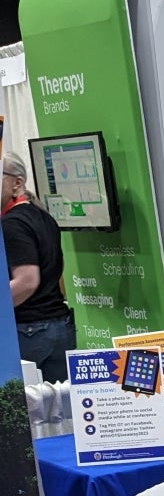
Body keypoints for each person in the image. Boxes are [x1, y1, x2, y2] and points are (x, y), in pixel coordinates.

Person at [3, 153, 75, 382]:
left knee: (17, 414)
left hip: (29, 332)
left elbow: (27, 281)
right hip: (58, 327)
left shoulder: (11, 223)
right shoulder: (42, 216)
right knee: (60, 412)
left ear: (17, 183)